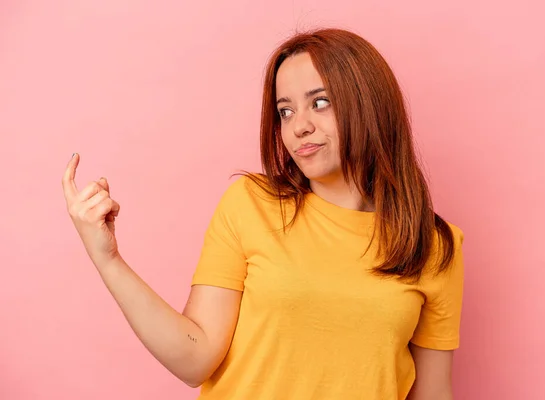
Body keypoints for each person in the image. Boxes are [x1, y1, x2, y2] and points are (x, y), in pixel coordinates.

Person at [62, 27, 464, 400]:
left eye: (320, 103)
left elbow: (432, 394)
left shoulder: (433, 245)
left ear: (370, 104)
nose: (298, 127)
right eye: (285, 111)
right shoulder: (250, 203)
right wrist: (107, 258)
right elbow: (194, 360)